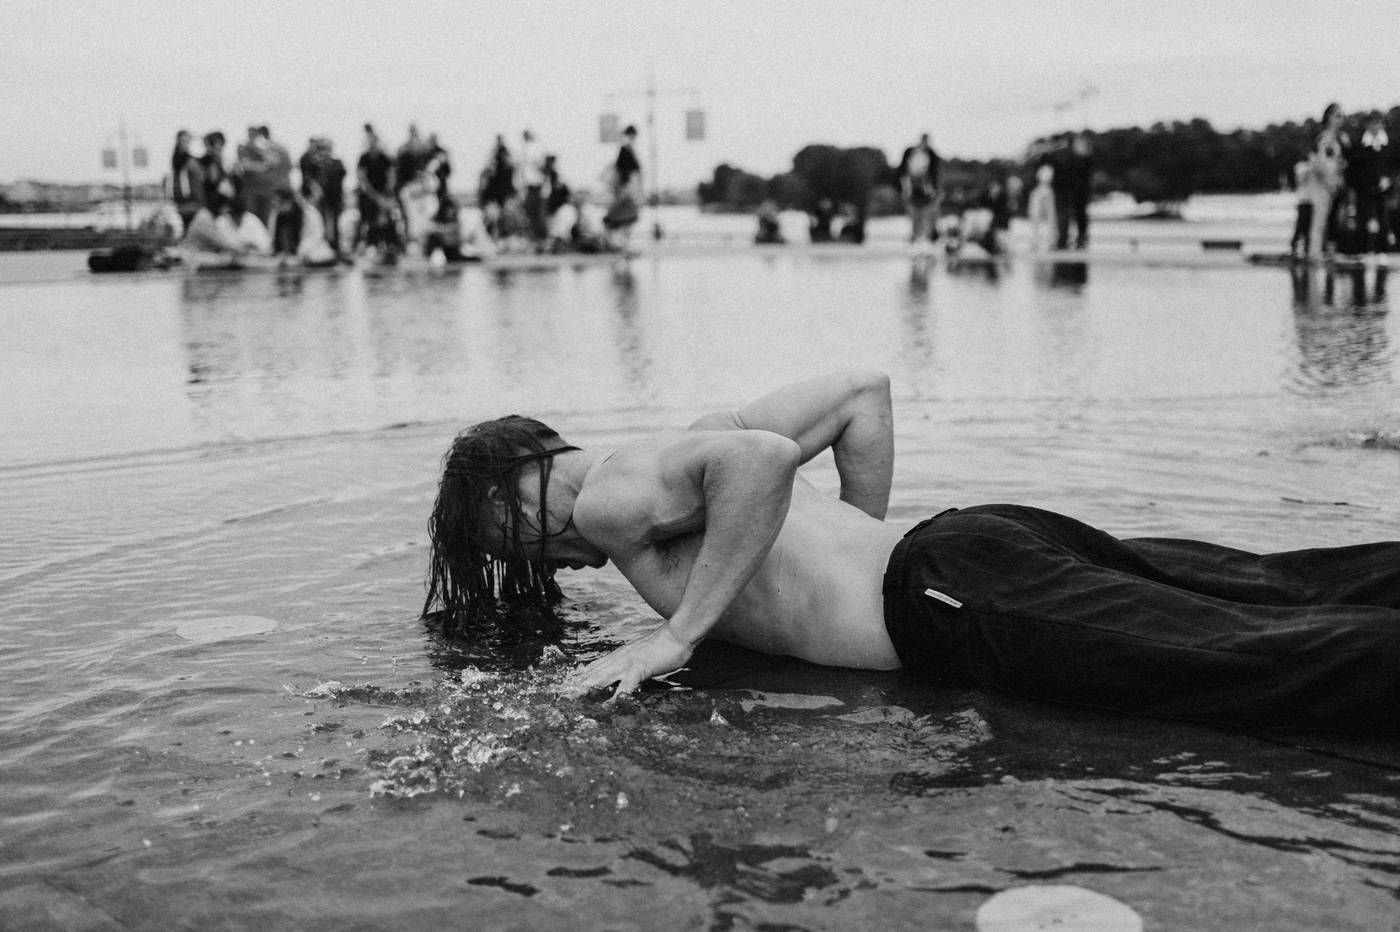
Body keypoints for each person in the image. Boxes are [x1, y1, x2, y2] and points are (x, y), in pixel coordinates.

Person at [422, 371, 1400, 734]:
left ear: (513, 485)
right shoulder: (682, 436)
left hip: (949, 593)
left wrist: (676, 636)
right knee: (1274, 585)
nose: (532, 563)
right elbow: (861, 395)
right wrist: (858, 538)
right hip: (975, 543)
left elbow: (759, 464)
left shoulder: (602, 496)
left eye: (499, 539)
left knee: (1250, 663)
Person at [1346, 112, 1395, 256]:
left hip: (1384, 189)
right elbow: (1353, 168)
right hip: (1364, 189)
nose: (1375, 127)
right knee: (1363, 219)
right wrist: (1360, 184)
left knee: (1384, 220)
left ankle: (1383, 250)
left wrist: (1389, 179)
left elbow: (1394, 165)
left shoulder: (1390, 143)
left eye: (1378, 123)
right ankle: (1362, 250)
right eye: (1372, 123)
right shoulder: (1359, 144)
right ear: (1367, 125)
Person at [1308, 103, 1350, 258]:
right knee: (1320, 220)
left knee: (1335, 220)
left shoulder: (1342, 138)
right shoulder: (1323, 138)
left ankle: (1332, 252)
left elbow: (1346, 161)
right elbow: (1317, 163)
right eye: (1337, 116)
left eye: (1342, 116)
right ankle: (1314, 253)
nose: (1340, 120)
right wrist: (1327, 182)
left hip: (1338, 184)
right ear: (1328, 117)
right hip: (1323, 185)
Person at [356, 124, 399, 256]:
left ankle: (391, 244)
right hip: (370, 195)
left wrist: (386, 193)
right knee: (370, 220)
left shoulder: (384, 158)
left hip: (384, 194)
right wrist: (374, 195)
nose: (373, 144)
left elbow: (391, 175)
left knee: (389, 219)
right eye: (371, 142)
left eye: (375, 142)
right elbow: (362, 178)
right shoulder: (364, 158)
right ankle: (371, 243)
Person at [603, 125, 643, 252]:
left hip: (628, 188)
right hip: (626, 188)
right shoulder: (625, 150)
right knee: (619, 217)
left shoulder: (628, 150)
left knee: (626, 218)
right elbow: (622, 170)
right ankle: (617, 244)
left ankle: (621, 245)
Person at [897, 133, 941, 244]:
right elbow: (903, 170)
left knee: (927, 211)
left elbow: (934, 172)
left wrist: (933, 188)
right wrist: (904, 186)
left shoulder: (931, 154)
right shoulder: (911, 152)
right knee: (914, 211)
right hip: (913, 185)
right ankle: (916, 235)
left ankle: (927, 235)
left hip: (925, 186)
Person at [1052, 133, 1093, 250]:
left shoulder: (1082, 158)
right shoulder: (1074, 157)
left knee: (1077, 215)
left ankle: (1077, 238)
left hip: (1078, 190)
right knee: (1074, 215)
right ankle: (1072, 239)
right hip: (1073, 190)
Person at [169, 130, 201, 234]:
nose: (187, 142)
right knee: (190, 225)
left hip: (183, 199)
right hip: (188, 197)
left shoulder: (177, 157)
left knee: (187, 225)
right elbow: (197, 169)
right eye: (185, 140)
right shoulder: (184, 158)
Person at [1027, 157, 1055, 252]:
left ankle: (1050, 242)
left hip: (1046, 194)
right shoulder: (1036, 169)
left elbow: (1047, 180)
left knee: (1050, 220)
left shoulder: (1048, 169)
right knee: (1036, 220)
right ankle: (1035, 242)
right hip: (1040, 193)